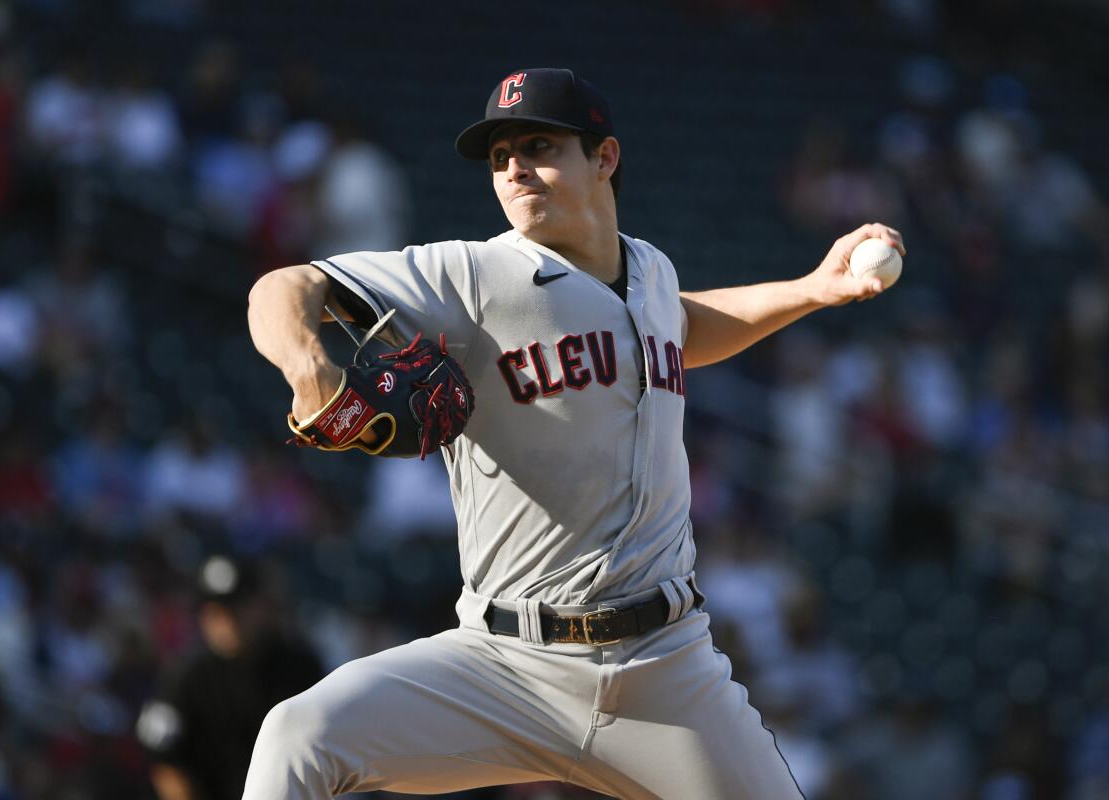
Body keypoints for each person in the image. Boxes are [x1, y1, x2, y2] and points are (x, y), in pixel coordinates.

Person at [243, 67, 904, 799]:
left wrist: (813, 289)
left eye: (537, 144)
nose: (515, 167)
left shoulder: (650, 271)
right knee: (298, 736)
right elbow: (282, 288)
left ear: (604, 158)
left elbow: (680, 326)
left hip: (665, 671)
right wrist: (312, 372)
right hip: (502, 667)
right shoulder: (474, 274)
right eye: (499, 156)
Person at [136, 555, 324, 800]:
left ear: (261, 606)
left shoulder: (299, 666)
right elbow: (166, 762)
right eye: (216, 612)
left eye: (237, 609)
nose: (227, 622)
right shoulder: (186, 677)